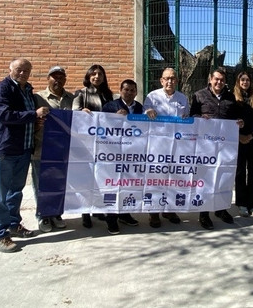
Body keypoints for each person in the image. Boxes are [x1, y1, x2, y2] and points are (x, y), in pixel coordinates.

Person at [0, 58, 48, 253]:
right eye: (19, 70)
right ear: (10, 69)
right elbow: (4, 115)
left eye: (27, 70)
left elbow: (27, 117)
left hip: (23, 148)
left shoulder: (27, 90)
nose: (23, 73)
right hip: (5, 149)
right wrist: (34, 115)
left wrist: (36, 121)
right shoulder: (1, 89)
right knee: (0, 195)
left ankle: (13, 225)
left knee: (15, 191)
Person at [189, 68, 242, 230]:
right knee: (204, 179)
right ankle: (204, 214)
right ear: (210, 79)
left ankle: (220, 209)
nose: (219, 82)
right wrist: (200, 118)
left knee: (223, 177)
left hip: (225, 146)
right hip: (205, 147)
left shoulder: (231, 98)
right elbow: (192, 117)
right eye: (216, 79)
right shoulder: (199, 96)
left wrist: (240, 122)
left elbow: (236, 118)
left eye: (222, 80)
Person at [32, 65, 74, 233]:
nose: (57, 80)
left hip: (63, 150)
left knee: (58, 183)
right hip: (41, 148)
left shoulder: (71, 98)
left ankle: (56, 213)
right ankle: (43, 216)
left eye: (61, 77)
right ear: (47, 78)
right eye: (54, 76)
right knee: (41, 184)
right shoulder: (37, 98)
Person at [143, 67, 188, 227]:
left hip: (176, 146)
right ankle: (153, 212)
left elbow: (187, 121)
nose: (170, 81)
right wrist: (147, 111)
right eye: (167, 78)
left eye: (173, 78)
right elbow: (143, 115)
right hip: (156, 146)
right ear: (161, 80)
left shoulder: (183, 98)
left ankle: (169, 210)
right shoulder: (152, 96)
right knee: (156, 179)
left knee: (173, 179)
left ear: (177, 80)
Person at [72, 64, 114, 231]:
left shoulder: (108, 95)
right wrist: (82, 111)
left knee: (101, 179)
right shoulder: (81, 93)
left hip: (105, 145)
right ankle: (85, 213)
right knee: (86, 179)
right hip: (86, 145)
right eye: (94, 74)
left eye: (100, 74)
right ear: (88, 76)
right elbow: (74, 112)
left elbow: (112, 116)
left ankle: (97, 210)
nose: (97, 76)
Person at [100, 79, 143, 233]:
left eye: (132, 90)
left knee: (128, 184)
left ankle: (124, 214)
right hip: (114, 153)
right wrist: (115, 118)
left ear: (136, 92)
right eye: (126, 90)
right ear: (120, 90)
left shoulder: (139, 107)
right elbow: (101, 127)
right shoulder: (110, 106)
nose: (129, 93)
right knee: (113, 186)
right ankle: (111, 219)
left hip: (131, 154)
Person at [232, 71, 253, 217]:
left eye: (247, 80)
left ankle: (252, 204)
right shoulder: (233, 98)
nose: (245, 82)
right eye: (242, 80)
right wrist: (239, 136)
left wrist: (252, 135)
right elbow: (228, 118)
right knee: (239, 172)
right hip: (237, 140)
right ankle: (241, 204)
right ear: (238, 82)